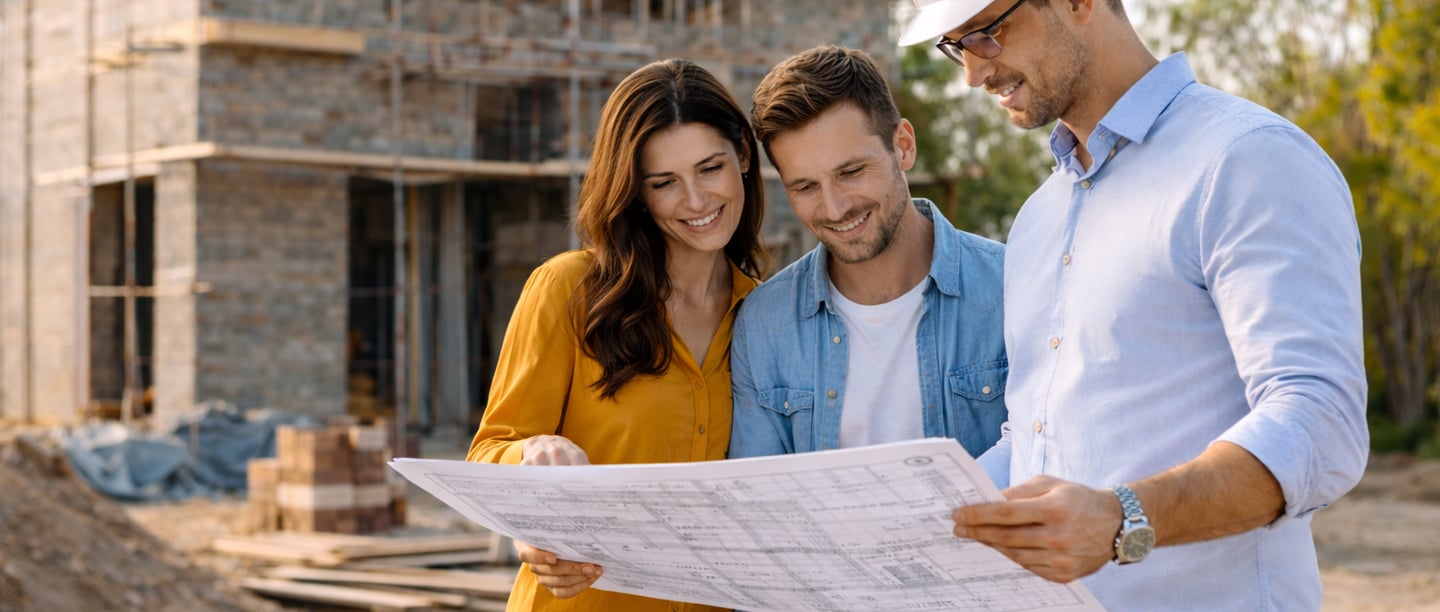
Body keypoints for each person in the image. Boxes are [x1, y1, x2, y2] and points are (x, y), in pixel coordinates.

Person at [897, 0, 1369, 609]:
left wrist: (1122, 519)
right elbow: (1041, 438)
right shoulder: (1038, 219)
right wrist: (911, 519)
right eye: (956, 46)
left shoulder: (1248, 159)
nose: (973, 73)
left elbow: (1318, 422)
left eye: (986, 34)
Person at [466, 58, 767, 612]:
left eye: (710, 168)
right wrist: (533, 456)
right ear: (635, 192)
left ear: (743, 156)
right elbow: (487, 453)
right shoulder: (567, 291)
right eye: (664, 183)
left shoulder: (769, 313)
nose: (696, 200)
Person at [729, 45, 1007, 471]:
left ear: (903, 146)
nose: (835, 208)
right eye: (805, 187)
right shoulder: (764, 325)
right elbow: (760, 501)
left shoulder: (1013, 287)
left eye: (851, 172)